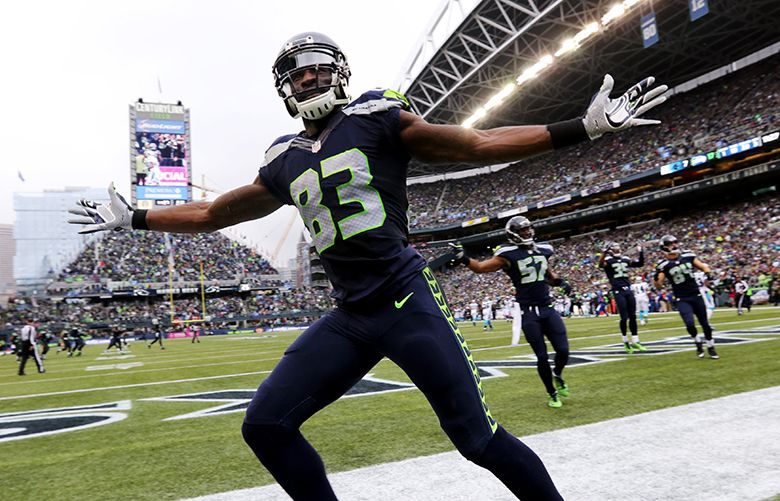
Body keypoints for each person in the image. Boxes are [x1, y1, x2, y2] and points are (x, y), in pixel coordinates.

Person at [67, 31, 667, 500]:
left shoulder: (376, 115)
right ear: (284, 89)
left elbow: (475, 143)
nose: (308, 77)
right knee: (265, 425)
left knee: (477, 440)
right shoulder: (282, 158)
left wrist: (580, 129)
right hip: (351, 315)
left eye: (318, 68)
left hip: (406, 302)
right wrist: (137, 219)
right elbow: (213, 213)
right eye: (296, 73)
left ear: (340, 75)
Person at [450, 216, 572, 409]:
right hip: (528, 312)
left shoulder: (543, 250)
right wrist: (463, 258)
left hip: (547, 308)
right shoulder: (507, 255)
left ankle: (558, 374)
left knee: (563, 350)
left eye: (528, 229)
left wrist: (560, 282)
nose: (527, 233)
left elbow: (547, 275)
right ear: (513, 233)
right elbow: (481, 268)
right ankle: (552, 392)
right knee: (541, 356)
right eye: (523, 230)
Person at [654, 235, 718, 359]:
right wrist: (656, 279)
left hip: (696, 294)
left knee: (705, 324)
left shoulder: (688, 256)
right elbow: (658, 285)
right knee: (689, 324)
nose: (674, 245)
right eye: (671, 243)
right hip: (681, 297)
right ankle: (697, 341)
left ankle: (711, 346)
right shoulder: (663, 264)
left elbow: (703, 266)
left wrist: (708, 274)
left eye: (675, 242)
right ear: (664, 247)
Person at [598, 242, 647, 353]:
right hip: (618, 290)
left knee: (633, 316)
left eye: (618, 245)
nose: (617, 247)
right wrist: (604, 253)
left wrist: (640, 251)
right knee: (624, 318)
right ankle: (625, 342)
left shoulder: (625, 259)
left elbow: (640, 264)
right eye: (615, 246)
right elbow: (600, 265)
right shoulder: (609, 260)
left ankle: (636, 341)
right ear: (610, 249)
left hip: (628, 289)